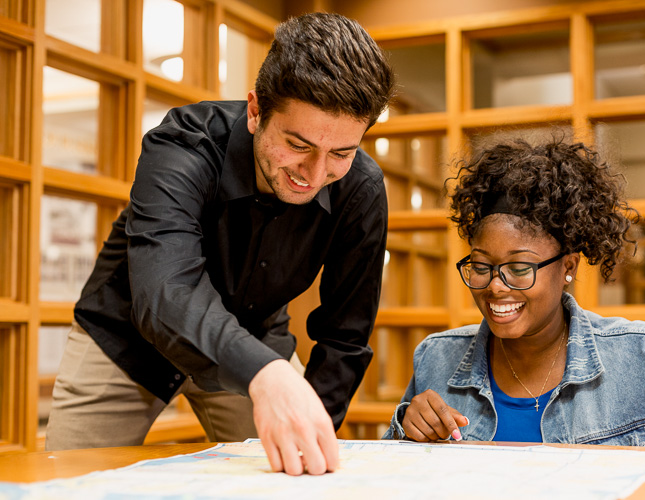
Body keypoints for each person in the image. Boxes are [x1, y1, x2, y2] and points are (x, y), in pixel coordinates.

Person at [46, 13, 395, 476]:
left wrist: (312, 438)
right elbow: (166, 293)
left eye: (341, 154)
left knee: (303, 476)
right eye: (297, 144)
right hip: (127, 334)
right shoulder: (182, 145)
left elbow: (344, 336)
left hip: (256, 340)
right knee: (67, 483)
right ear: (255, 110)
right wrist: (266, 373)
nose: (313, 176)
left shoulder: (362, 189)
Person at [383, 137, 645, 465]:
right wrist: (405, 431)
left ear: (568, 267)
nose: (495, 287)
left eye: (520, 268)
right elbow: (390, 477)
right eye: (481, 266)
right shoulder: (435, 358)